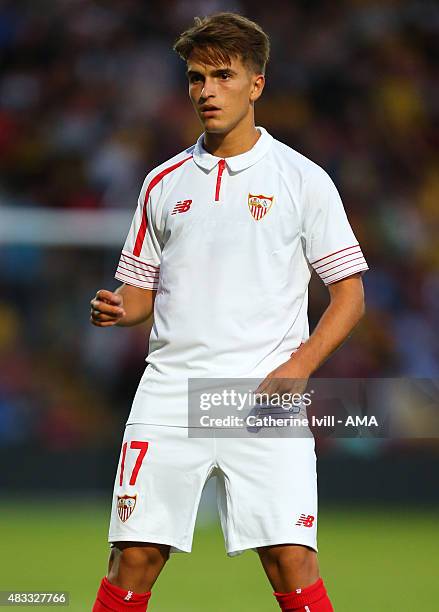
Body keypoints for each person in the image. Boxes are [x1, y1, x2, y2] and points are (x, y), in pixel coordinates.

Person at [90, 12, 368, 612]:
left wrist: (299, 368)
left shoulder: (303, 179)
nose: (207, 91)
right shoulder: (161, 183)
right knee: (134, 556)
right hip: (171, 390)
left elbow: (350, 295)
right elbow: (139, 294)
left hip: (264, 394)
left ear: (257, 84)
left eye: (223, 75)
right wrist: (119, 309)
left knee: (290, 557)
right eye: (195, 79)